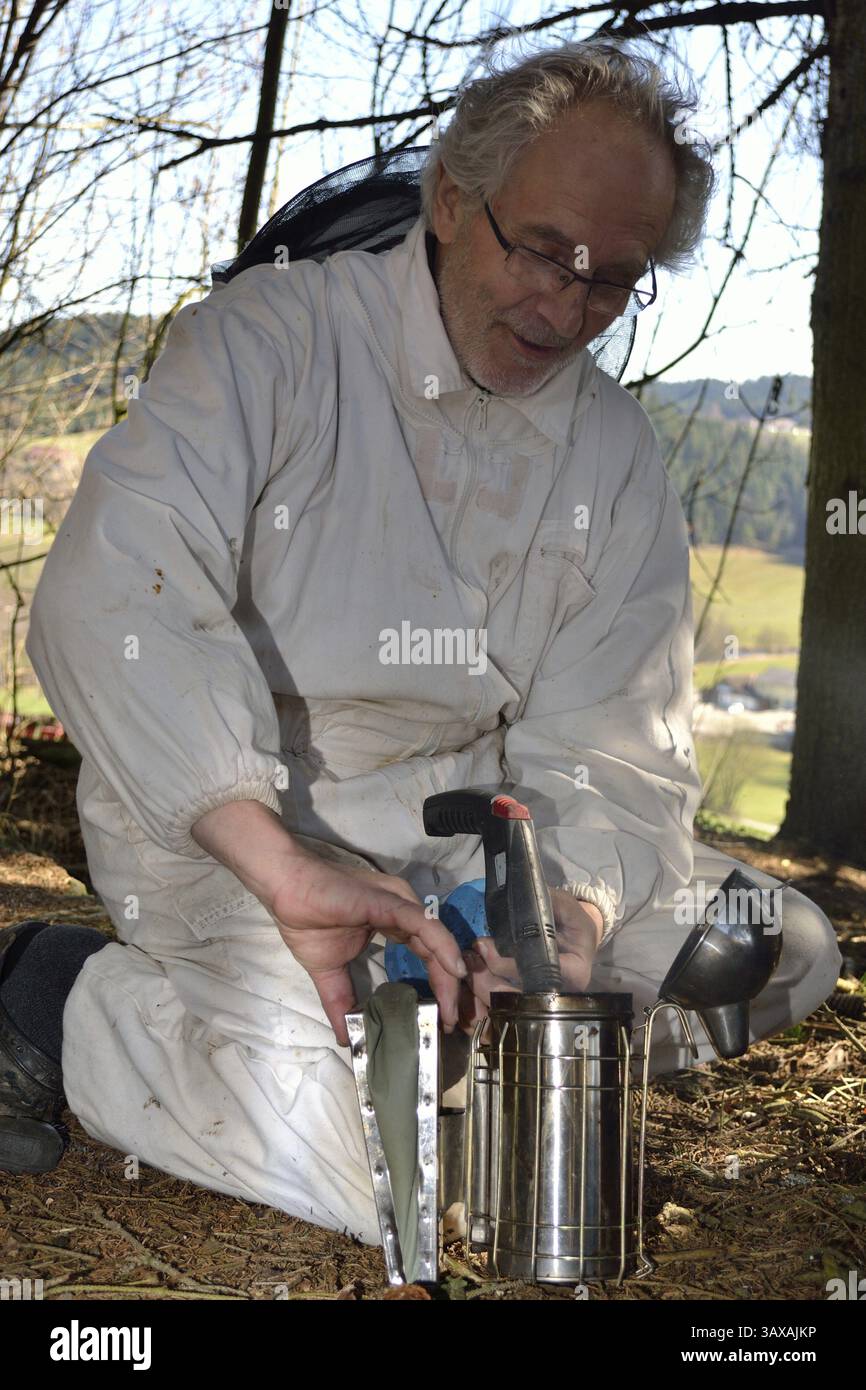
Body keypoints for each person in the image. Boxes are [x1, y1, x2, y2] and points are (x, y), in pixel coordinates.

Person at [1, 41, 840, 1244]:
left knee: (780, 948)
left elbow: (613, 744)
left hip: (479, 859)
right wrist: (282, 867)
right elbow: (105, 608)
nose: (567, 306)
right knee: (390, 1171)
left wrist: (557, 935)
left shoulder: (614, 450)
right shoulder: (266, 343)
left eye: (615, 278)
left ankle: (444, 1046)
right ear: (453, 199)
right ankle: (64, 988)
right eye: (544, 250)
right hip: (239, 832)